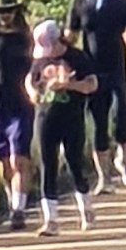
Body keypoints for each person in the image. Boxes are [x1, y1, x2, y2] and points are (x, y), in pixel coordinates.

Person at [69, 0, 126, 186]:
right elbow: (71, 35)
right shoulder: (80, 3)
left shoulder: (123, 2)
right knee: (98, 121)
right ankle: (104, 176)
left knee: (121, 115)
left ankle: (124, 160)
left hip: (117, 68)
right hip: (91, 71)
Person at [27, 20, 97, 230]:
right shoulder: (40, 60)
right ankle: (51, 219)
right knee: (47, 163)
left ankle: (85, 206)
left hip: (71, 116)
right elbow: (30, 80)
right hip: (45, 117)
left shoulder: (77, 57)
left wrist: (69, 84)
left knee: (74, 161)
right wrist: (33, 92)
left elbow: (92, 84)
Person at [0, 0, 36, 226]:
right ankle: (12, 201)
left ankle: (19, 209)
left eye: (9, 11)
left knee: (18, 159)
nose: (5, 15)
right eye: (1, 11)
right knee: (3, 162)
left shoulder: (26, 39)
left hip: (22, 103)